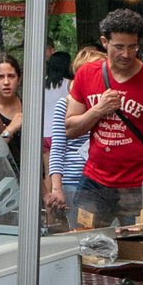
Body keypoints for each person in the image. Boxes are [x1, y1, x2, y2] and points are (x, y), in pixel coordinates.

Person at [64, 9, 143, 227]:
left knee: (142, 251)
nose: (127, 54)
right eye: (119, 47)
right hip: (95, 182)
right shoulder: (86, 74)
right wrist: (98, 110)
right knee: (85, 247)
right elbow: (70, 128)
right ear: (104, 42)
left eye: (133, 47)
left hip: (140, 187)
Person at [47, 43, 100, 220]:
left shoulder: (108, 102)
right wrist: (56, 188)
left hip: (103, 181)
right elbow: (57, 149)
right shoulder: (66, 104)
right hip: (73, 180)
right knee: (81, 235)